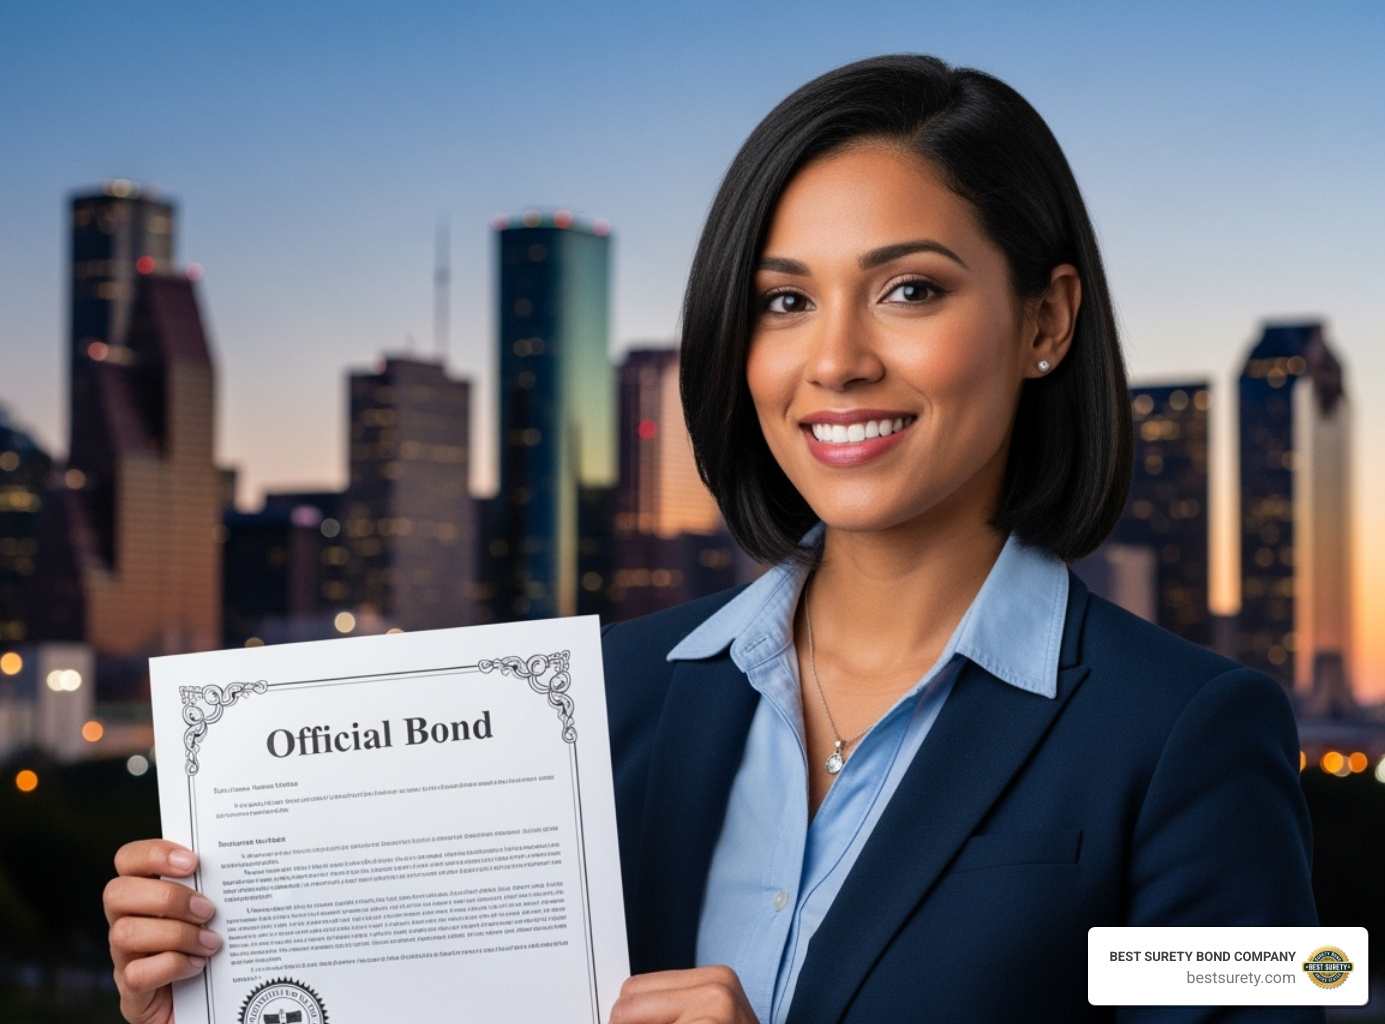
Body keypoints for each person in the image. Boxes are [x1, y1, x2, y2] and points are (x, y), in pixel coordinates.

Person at [105, 55, 1319, 1024]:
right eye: (784, 301)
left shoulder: (1195, 737)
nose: (835, 359)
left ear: (1046, 318)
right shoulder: (590, 705)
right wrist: (221, 998)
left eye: (910, 289)